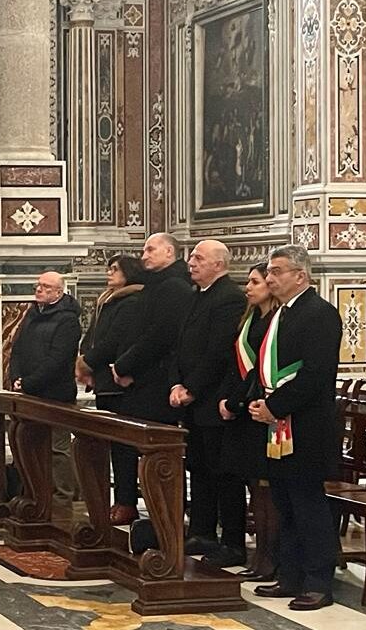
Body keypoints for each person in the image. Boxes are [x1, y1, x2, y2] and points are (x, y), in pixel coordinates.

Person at [250, 245, 343, 611]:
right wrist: (262, 403)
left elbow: (315, 374)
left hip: (307, 424)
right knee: (284, 502)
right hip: (278, 424)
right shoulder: (281, 315)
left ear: (300, 276)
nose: (270, 277)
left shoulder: (320, 314)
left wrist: (274, 406)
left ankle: (319, 581)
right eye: (269, 271)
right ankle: (290, 575)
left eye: (277, 271)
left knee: (308, 504)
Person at [168, 240, 247, 565]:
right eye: (191, 257)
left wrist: (192, 388)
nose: (191, 262)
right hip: (192, 400)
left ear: (219, 264)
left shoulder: (229, 297)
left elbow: (217, 352)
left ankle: (231, 542)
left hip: (215, 400)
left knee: (223, 473)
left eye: (199, 258)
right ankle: (201, 531)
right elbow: (180, 344)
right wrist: (176, 381)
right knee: (198, 468)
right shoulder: (194, 296)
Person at [109, 233, 194, 524]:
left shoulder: (175, 288)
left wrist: (124, 366)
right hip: (141, 379)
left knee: (158, 451)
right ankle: (129, 503)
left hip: (156, 382)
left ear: (169, 252)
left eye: (150, 249)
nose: (143, 255)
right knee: (123, 440)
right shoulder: (156, 285)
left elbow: (159, 337)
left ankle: (166, 514)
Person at [218, 262, 280, 581]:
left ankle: (270, 556)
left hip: (258, 411)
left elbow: (260, 370)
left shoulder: (274, 321)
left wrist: (237, 401)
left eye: (255, 282)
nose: (249, 287)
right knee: (253, 487)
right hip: (242, 413)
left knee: (265, 488)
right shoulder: (250, 319)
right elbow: (236, 365)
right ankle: (260, 556)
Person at [76, 255, 145, 525]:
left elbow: (113, 340)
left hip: (119, 382)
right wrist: (85, 359)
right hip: (104, 381)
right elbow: (92, 335)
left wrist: (86, 364)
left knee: (123, 447)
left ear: (130, 273)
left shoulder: (133, 301)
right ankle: (115, 499)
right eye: (109, 268)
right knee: (113, 445)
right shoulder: (108, 299)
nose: (109, 273)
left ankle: (126, 501)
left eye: (115, 269)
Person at [9, 271, 82, 522]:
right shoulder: (33, 313)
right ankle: (35, 491)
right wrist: (16, 377)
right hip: (29, 390)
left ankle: (62, 498)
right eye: (37, 285)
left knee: (57, 448)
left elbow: (58, 359)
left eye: (45, 287)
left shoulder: (68, 320)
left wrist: (29, 382)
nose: (38, 290)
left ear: (59, 293)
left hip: (55, 393)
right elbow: (17, 348)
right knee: (30, 443)